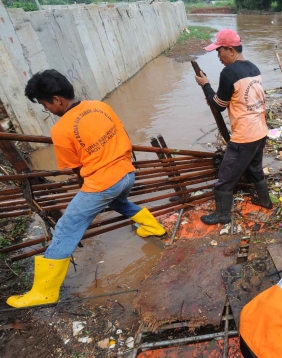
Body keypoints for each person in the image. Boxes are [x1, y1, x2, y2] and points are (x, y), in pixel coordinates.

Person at [6, 70, 166, 308]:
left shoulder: (60, 130)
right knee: (117, 201)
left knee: (65, 229)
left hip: (103, 183)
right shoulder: (100, 106)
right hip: (127, 174)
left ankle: (44, 292)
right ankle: (152, 225)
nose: (47, 110)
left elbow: (76, 169)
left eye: (44, 105)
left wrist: (89, 190)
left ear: (57, 99)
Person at [194, 29, 271, 225]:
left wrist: (206, 85)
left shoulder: (229, 72)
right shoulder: (254, 68)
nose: (219, 57)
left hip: (245, 136)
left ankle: (222, 215)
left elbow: (219, 106)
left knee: (225, 177)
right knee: (254, 168)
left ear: (230, 49)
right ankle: (265, 200)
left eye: (219, 51)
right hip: (261, 130)